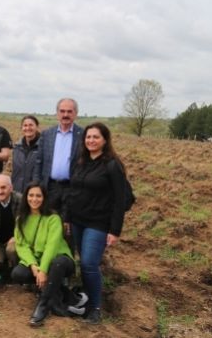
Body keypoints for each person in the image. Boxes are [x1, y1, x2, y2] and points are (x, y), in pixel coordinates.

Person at [67, 122, 127, 324]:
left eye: (96, 137)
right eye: (88, 137)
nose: (91, 140)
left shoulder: (111, 165)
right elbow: (72, 190)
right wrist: (67, 216)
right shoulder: (81, 161)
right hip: (77, 220)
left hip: (98, 223)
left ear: (105, 140)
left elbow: (122, 199)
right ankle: (87, 297)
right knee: (84, 261)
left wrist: (114, 230)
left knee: (89, 263)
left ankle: (96, 308)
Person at [11, 182, 82, 327]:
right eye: (31, 195)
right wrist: (33, 265)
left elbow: (52, 246)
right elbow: (22, 245)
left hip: (60, 259)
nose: (34, 199)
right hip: (36, 260)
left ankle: (42, 306)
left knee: (56, 264)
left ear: (44, 198)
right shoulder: (21, 219)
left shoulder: (53, 218)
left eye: (38, 196)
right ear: (26, 197)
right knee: (18, 273)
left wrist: (42, 270)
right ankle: (62, 297)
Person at [33, 98, 83, 222]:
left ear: (75, 113)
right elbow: (39, 161)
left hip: (72, 188)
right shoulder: (47, 134)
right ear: (57, 113)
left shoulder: (83, 135)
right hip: (50, 187)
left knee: (69, 223)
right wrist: (36, 185)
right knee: (48, 221)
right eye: (62, 111)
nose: (65, 115)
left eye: (69, 111)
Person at [11, 115, 41, 193]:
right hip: (17, 191)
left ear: (37, 127)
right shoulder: (17, 147)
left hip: (35, 193)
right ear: (22, 128)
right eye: (25, 125)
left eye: (31, 125)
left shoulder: (43, 147)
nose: (28, 128)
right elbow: (15, 171)